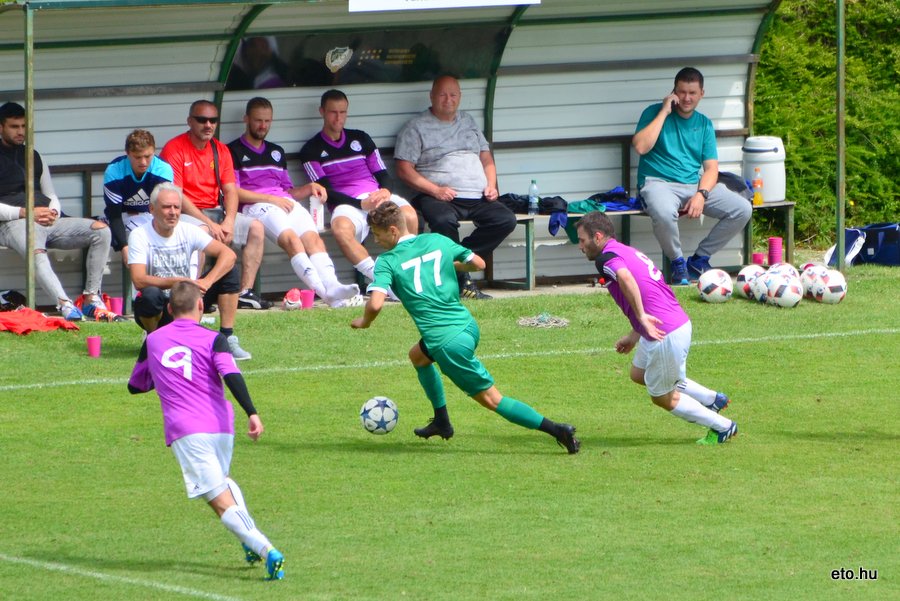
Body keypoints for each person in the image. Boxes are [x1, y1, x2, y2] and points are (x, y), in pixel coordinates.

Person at [351, 202, 580, 454]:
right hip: (466, 326)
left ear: (393, 230)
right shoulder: (437, 240)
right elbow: (479, 264)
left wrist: (365, 321)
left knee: (493, 400)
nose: (375, 240)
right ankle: (441, 421)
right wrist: (448, 265)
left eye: (377, 234)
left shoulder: (387, 261)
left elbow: (375, 304)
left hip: (446, 343)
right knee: (418, 356)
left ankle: (557, 430)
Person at [127, 280, 284, 580]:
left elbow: (135, 385)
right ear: (201, 305)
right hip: (222, 426)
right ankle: (248, 541)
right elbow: (231, 374)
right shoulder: (215, 339)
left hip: (187, 431)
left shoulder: (153, 341)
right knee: (222, 484)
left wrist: (164, 377)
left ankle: (267, 549)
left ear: (169, 308)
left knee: (219, 501)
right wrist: (252, 413)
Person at [575, 210, 737, 445]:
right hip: (670, 324)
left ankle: (723, 426)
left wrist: (641, 317)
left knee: (662, 397)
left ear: (597, 236)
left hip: (665, 333)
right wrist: (634, 334)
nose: (580, 247)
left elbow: (626, 279)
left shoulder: (605, 259)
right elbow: (650, 292)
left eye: (582, 240)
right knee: (639, 374)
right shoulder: (626, 250)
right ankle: (712, 399)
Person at [227, 97, 360, 307]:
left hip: (284, 202)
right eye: (258, 120)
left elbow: (288, 191)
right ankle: (326, 295)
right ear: (246, 119)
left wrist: (309, 188)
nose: (263, 126)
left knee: (314, 240)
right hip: (257, 206)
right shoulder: (232, 151)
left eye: (267, 121)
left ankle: (333, 286)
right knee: (293, 240)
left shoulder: (276, 152)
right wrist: (271, 199)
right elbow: (233, 191)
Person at [395, 75, 517, 300]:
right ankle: (462, 280)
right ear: (431, 96)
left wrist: (491, 185)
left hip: (478, 196)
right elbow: (404, 169)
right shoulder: (416, 127)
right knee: (443, 221)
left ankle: (452, 263)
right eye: (442, 94)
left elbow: (486, 159)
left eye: (453, 95)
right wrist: (435, 190)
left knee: (505, 220)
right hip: (438, 196)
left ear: (460, 97)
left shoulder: (468, 121)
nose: (448, 99)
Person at [0, 101, 120, 322]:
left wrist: (53, 211)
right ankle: (65, 304)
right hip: (14, 223)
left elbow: (51, 194)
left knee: (101, 231)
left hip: (47, 219)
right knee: (36, 250)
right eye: (14, 126)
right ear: (1, 127)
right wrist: (26, 213)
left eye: (24, 126)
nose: (21, 132)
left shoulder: (34, 155)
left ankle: (91, 299)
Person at [632, 67, 752, 285]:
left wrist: (701, 194)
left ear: (701, 94)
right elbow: (640, 147)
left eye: (692, 93)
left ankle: (698, 260)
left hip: (693, 185)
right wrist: (664, 112)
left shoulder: (704, 123)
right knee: (664, 212)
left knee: (742, 209)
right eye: (682, 92)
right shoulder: (653, 112)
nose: (687, 98)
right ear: (673, 92)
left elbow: (711, 169)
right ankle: (677, 263)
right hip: (658, 183)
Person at [300, 89, 419, 293]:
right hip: (347, 204)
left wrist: (385, 191)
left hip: (376, 196)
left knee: (409, 215)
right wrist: (360, 204)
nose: (338, 118)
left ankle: (408, 276)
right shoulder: (311, 149)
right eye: (333, 112)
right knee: (340, 229)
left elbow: (383, 174)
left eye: (343, 112)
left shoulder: (361, 138)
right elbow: (325, 190)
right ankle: (383, 282)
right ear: (322, 112)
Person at [160, 100, 271, 310]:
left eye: (213, 120)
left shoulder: (220, 149)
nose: (208, 125)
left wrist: (229, 221)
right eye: (202, 120)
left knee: (256, 227)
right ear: (190, 121)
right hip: (187, 214)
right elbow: (177, 196)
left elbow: (230, 190)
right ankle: (192, 297)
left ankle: (244, 293)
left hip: (217, 211)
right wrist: (209, 224)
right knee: (200, 232)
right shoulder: (174, 148)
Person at [127, 182, 251, 360]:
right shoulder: (139, 235)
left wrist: (206, 282)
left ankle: (227, 338)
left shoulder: (188, 230)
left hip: (187, 300)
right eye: (167, 207)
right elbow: (138, 280)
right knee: (150, 295)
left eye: (177, 207)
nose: (173, 212)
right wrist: (178, 281)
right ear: (152, 209)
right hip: (161, 304)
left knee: (229, 270)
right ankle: (153, 338)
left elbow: (228, 255)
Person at [103, 129, 205, 264]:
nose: (143, 162)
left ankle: (191, 277)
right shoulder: (114, 171)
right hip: (125, 216)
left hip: (156, 214)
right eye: (137, 157)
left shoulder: (162, 169)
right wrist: (124, 246)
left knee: (198, 230)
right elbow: (114, 216)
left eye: (148, 156)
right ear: (127, 154)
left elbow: (166, 208)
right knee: (144, 238)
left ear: (154, 152)